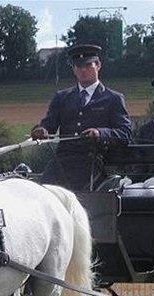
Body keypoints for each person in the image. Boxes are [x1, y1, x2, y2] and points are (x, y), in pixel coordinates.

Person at [31, 44, 132, 191]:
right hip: (62, 160)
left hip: (92, 161)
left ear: (98, 65)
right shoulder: (62, 97)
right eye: (78, 66)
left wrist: (100, 133)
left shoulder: (113, 98)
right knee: (41, 192)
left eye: (87, 65)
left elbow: (125, 134)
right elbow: (48, 124)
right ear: (73, 69)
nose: (83, 70)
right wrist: (41, 130)